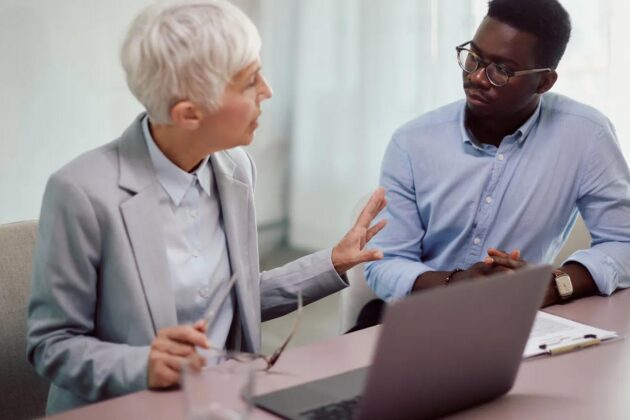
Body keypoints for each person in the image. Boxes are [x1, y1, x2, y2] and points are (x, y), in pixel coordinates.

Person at [26, 0, 387, 415]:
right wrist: (140, 365)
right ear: (189, 113)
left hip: (226, 403)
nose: (267, 91)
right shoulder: (82, 192)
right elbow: (51, 344)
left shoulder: (235, 168)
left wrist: (333, 262)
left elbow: (238, 298)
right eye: (250, 82)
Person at [358, 0, 630, 330]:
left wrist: (553, 285)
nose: (476, 76)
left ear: (544, 82)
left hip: (516, 322)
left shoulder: (585, 135)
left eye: (501, 70)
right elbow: (384, 263)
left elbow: (623, 242)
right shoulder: (412, 142)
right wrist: (456, 284)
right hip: (415, 316)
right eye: (474, 57)